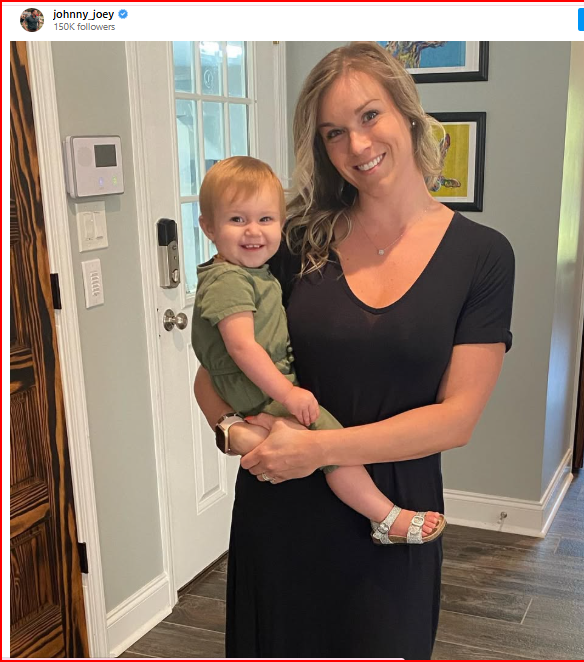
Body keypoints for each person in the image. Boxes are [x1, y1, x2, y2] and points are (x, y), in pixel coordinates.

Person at [194, 41, 514, 659]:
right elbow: (213, 372)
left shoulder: (483, 256)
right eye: (334, 132)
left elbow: (457, 419)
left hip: (390, 517)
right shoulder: (293, 239)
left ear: (407, 113)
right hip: (280, 509)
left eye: (370, 116)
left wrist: (317, 448)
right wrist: (237, 434)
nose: (358, 145)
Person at [192, 155, 445, 544]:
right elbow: (241, 349)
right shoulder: (230, 280)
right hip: (259, 388)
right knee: (328, 441)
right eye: (237, 219)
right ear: (208, 227)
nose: (253, 231)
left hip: (260, 390)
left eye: (265, 219)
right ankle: (384, 517)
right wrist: (285, 394)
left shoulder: (252, 272)